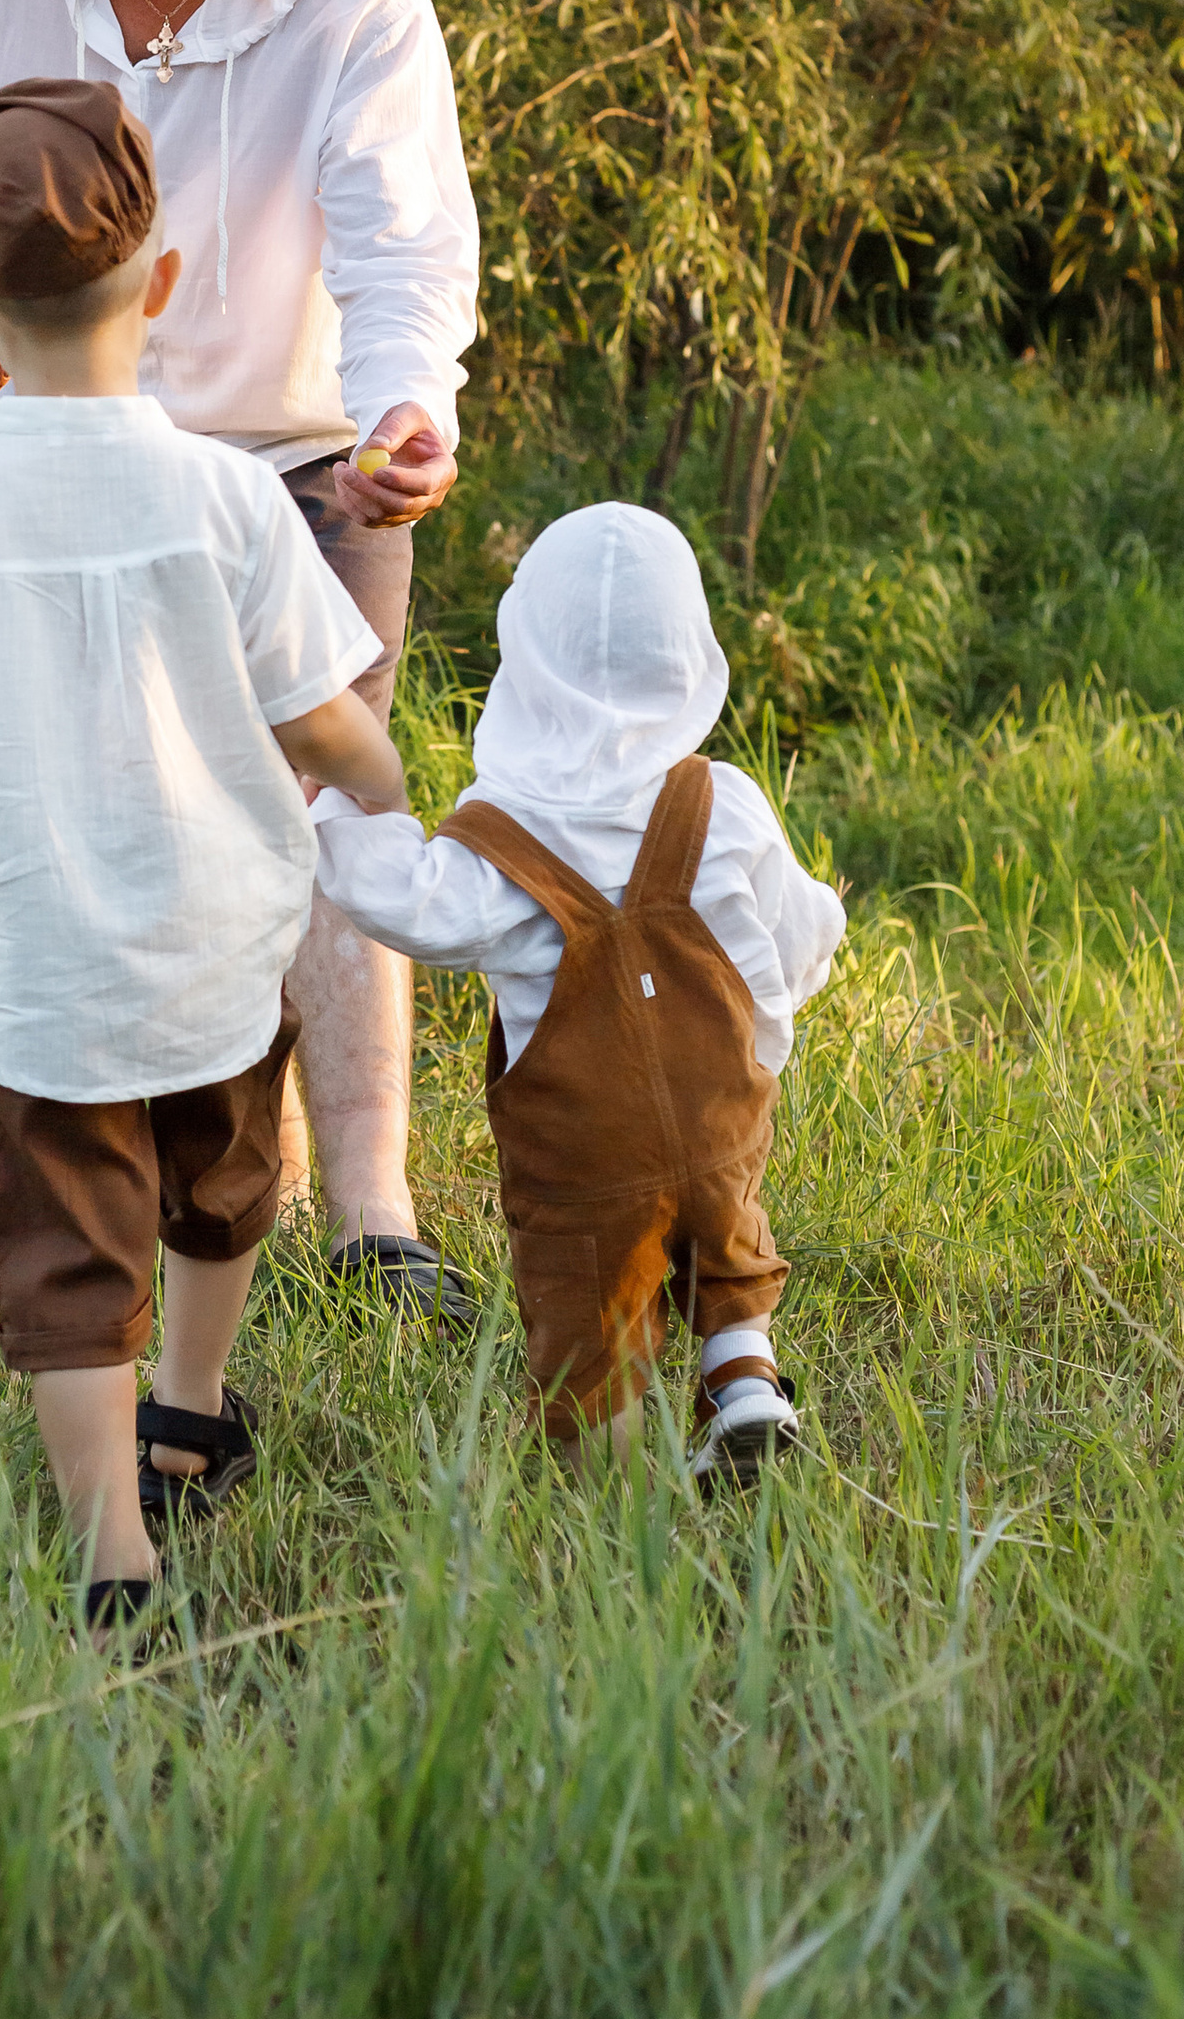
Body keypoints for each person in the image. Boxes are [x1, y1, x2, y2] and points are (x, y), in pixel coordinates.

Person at [0, 0, 479, 1317]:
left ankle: (374, 1209)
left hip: (298, 460)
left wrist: (403, 414)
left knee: (338, 802)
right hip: (69, 447)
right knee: (106, 819)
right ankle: (152, 1180)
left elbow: (402, 231)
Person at [0, 80, 409, 1629]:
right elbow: (327, 721)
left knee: (71, 1254)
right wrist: (389, 788)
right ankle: (194, 1413)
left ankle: (111, 1552)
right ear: (160, 287)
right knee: (227, 1184)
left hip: (37, 962)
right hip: (222, 941)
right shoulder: (227, 496)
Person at [310, 505, 844, 1481]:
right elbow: (800, 929)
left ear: (528, 662)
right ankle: (745, 1377)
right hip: (721, 1113)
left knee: (589, 1328)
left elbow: (407, 904)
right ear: (687, 650)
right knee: (725, 1237)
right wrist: (772, 1023)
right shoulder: (723, 798)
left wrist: (353, 801)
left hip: (584, 1159)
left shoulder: (508, 835)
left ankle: (619, 1498)